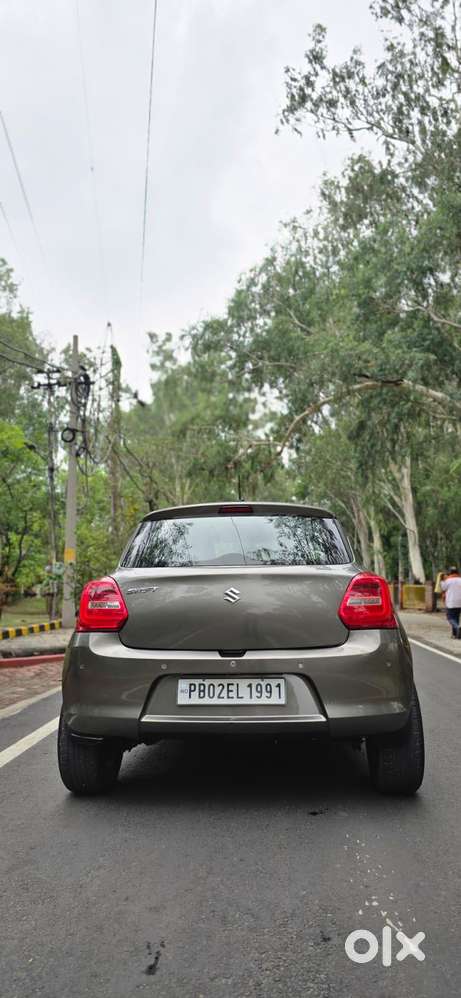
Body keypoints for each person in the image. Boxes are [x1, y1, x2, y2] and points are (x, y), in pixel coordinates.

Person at [440, 567, 461, 638]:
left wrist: (442, 580)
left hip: (451, 602)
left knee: (450, 618)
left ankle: (457, 627)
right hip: (459, 602)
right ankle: (455, 634)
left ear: (450, 572)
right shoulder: (460, 579)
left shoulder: (448, 580)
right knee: (456, 618)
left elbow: (443, 588)